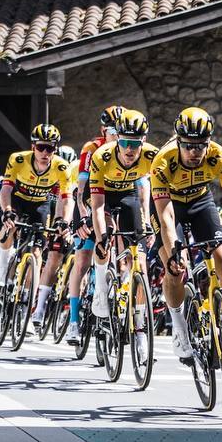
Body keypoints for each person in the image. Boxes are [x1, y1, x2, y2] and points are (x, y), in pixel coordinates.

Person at [151, 107, 222, 363]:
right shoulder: (163, 162)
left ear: (208, 143)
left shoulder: (219, 157)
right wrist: (174, 251)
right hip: (170, 205)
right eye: (188, 145)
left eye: (200, 146)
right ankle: (179, 330)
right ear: (178, 141)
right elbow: (166, 218)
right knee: (175, 269)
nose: (193, 152)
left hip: (201, 201)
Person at [0, 123, 75, 333]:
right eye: (41, 147)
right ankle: (2, 268)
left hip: (41, 204)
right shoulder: (18, 159)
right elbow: (6, 189)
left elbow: (67, 198)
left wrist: (63, 221)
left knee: (37, 255)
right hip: (18, 200)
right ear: (33, 146)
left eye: (50, 148)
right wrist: (7, 211)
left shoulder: (61, 167)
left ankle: (26, 308)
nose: (45, 152)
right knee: (9, 226)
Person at [87, 109, 158, 323]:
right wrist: (100, 237)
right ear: (117, 138)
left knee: (140, 260)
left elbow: (158, 196)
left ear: (143, 141)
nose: (129, 149)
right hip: (103, 196)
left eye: (135, 143)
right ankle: (100, 290)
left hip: (128, 194)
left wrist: (151, 225)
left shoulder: (153, 156)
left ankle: (140, 327)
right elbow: (97, 206)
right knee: (104, 240)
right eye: (125, 142)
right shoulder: (102, 156)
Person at [65, 105, 123, 344]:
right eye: (112, 131)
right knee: (82, 260)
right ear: (103, 130)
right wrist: (84, 216)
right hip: (89, 201)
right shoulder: (92, 149)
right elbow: (81, 190)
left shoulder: (127, 150)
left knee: (121, 246)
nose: (117, 136)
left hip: (114, 202)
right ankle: (73, 322)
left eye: (121, 131)